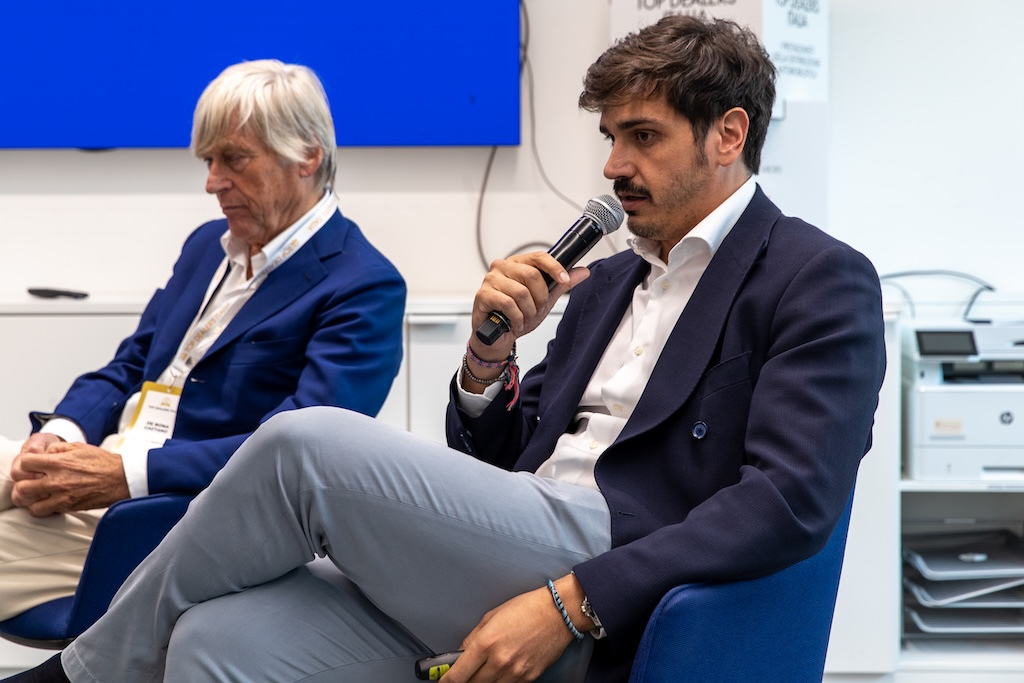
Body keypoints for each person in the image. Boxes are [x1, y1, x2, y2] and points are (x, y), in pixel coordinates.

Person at [5, 15, 886, 683]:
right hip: (520, 531)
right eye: (611, 138)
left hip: (620, 563)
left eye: (643, 137)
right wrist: (486, 362)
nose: (614, 165)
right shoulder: (606, 279)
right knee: (218, 638)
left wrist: (574, 602)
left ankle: (80, 674)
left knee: (304, 442)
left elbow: (789, 500)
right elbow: (504, 454)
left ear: (728, 134)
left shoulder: (815, 276)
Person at [0, 60, 405, 624]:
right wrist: (62, 433)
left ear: (307, 156)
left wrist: (125, 476)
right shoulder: (206, 247)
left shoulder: (361, 286)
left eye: (234, 159)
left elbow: (294, 455)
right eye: (209, 161)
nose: (212, 183)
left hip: (176, 520)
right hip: (106, 474)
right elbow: (131, 364)